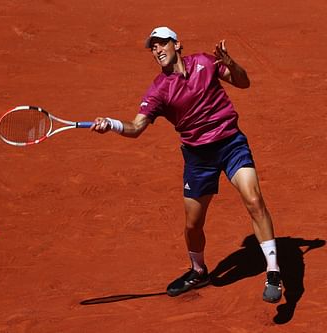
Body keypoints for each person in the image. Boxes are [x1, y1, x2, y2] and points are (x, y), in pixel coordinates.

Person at [91, 26, 282, 303]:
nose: (157, 50)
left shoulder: (206, 62)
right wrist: (111, 124)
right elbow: (136, 127)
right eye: (153, 47)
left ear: (177, 45)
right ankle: (198, 270)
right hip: (198, 158)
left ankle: (273, 271)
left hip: (230, 144)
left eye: (161, 44)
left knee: (254, 199)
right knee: (193, 226)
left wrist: (231, 64)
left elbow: (244, 82)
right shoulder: (158, 90)